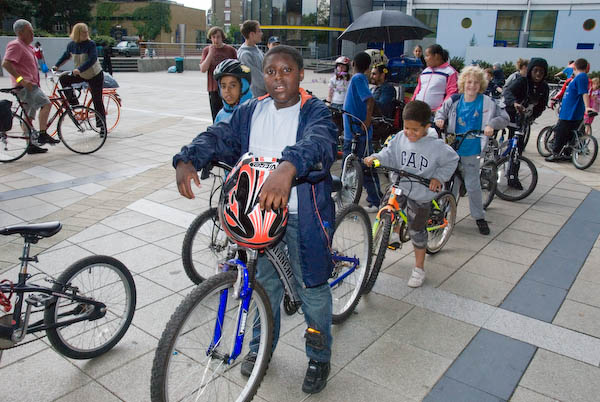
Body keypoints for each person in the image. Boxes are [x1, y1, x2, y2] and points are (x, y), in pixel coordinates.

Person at [173, 45, 337, 394]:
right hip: (257, 215)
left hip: (300, 215)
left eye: (286, 70)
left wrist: (288, 167)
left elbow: (320, 143)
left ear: (301, 74)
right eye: (271, 71)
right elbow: (220, 136)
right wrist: (188, 157)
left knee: (312, 289)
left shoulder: (315, 111)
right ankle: (261, 347)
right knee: (264, 284)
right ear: (263, 76)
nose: (278, 78)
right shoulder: (251, 110)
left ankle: (319, 356)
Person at [364, 100, 458, 287]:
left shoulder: (436, 146)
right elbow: (388, 153)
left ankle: (419, 268)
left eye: (415, 130)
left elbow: (453, 159)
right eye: (407, 128)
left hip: (421, 192)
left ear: (426, 127)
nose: (410, 133)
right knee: (388, 204)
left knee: (416, 229)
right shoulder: (400, 137)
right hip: (400, 183)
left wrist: (438, 178)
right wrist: (376, 158)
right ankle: (392, 229)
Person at [435, 66, 509, 235]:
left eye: (476, 83)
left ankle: (478, 216)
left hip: (473, 147)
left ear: (481, 84)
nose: (472, 86)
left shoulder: (487, 102)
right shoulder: (454, 99)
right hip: (452, 147)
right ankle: (446, 214)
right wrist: (440, 119)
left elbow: (504, 118)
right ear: (463, 83)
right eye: (469, 82)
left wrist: (491, 125)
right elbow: (441, 112)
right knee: (449, 183)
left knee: (472, 184)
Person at [2, 19, 57, 153]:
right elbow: (6, 63)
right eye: (30, 31)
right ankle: (43, 134)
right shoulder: (15, 45)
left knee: (28, 117)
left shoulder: (28, 47)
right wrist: (21, 80)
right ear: (21, 32)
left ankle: (30, 145)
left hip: (31, 85)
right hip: (26, 87)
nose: (33, 34)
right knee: (46, 104)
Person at [343, 51, 382, 211]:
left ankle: (376, 200)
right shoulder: (357, 79)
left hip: (359, 132)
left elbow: (369, 99)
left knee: (365, 167)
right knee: (350, 167)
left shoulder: (358, 78)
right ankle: (348, 198)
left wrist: (366, 120)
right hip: (351, 132)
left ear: (353, 63)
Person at [53, 22, 106, 130]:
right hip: (81, 74)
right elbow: (66, 56)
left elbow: (92, 59)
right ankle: (73, 102)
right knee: (63, 79)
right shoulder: (72, 45)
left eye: (87, 31)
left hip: (94, 74)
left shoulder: (90, 44)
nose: (86, 34)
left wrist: (79, 69)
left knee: (97, 100)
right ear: (77, 33)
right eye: (83, 32)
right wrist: (57, 65)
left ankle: (102, 126)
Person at [546, 58, 595, 162]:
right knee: (570, 134)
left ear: (575, 67)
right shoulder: (578, 77)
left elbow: (584, 93)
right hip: (570, 111)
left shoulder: (581, 77)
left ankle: (556, 154)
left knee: (560, 132)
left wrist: (587, 107)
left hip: (570, 112)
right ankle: (567, 154)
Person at [503, 57, 549, 161]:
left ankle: (513, 169)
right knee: (507, 136)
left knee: (518, 147)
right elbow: (508, 92)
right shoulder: (522, 81)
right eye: (535, 70)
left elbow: (542, 105)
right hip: (510, 114)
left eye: (541, 71)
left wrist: (532, 117)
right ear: (530, 70)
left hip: (523, 119)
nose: (538, 74)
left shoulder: (544, 87)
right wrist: (514, 103)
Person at [200, 26, 238, 122]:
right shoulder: (207, 50)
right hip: (214, 88)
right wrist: (210, 54)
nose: (216, 40)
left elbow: (237, 68)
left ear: (222, 37)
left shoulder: (230, 50)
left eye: (218, 37)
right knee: (216, 115)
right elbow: (203, 69)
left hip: (229, 88)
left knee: (230, 114)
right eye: (213, 37)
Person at [411, 44, 458, 112]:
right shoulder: (425, 71)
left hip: (435, 114)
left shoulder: (449, 72)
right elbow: (417, 90)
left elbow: (452, 93)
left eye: (427, 56)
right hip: (417, 111)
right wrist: (412, 104)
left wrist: (440, 110)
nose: (425, 58)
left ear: (436, 56)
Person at [213, 59, 253, 123]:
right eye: (223, 86)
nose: (227, 90)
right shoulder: (221, 115)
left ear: (244, 87)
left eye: (232, 85)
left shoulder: (255, 113)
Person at [238, 20, 266, 97]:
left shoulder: (256, 49)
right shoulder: (245, 55)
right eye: (259, 31)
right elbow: (257, 80)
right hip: (255, 99)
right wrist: (273, 89)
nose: (261, 33)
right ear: (252, 34)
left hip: (263, 96)